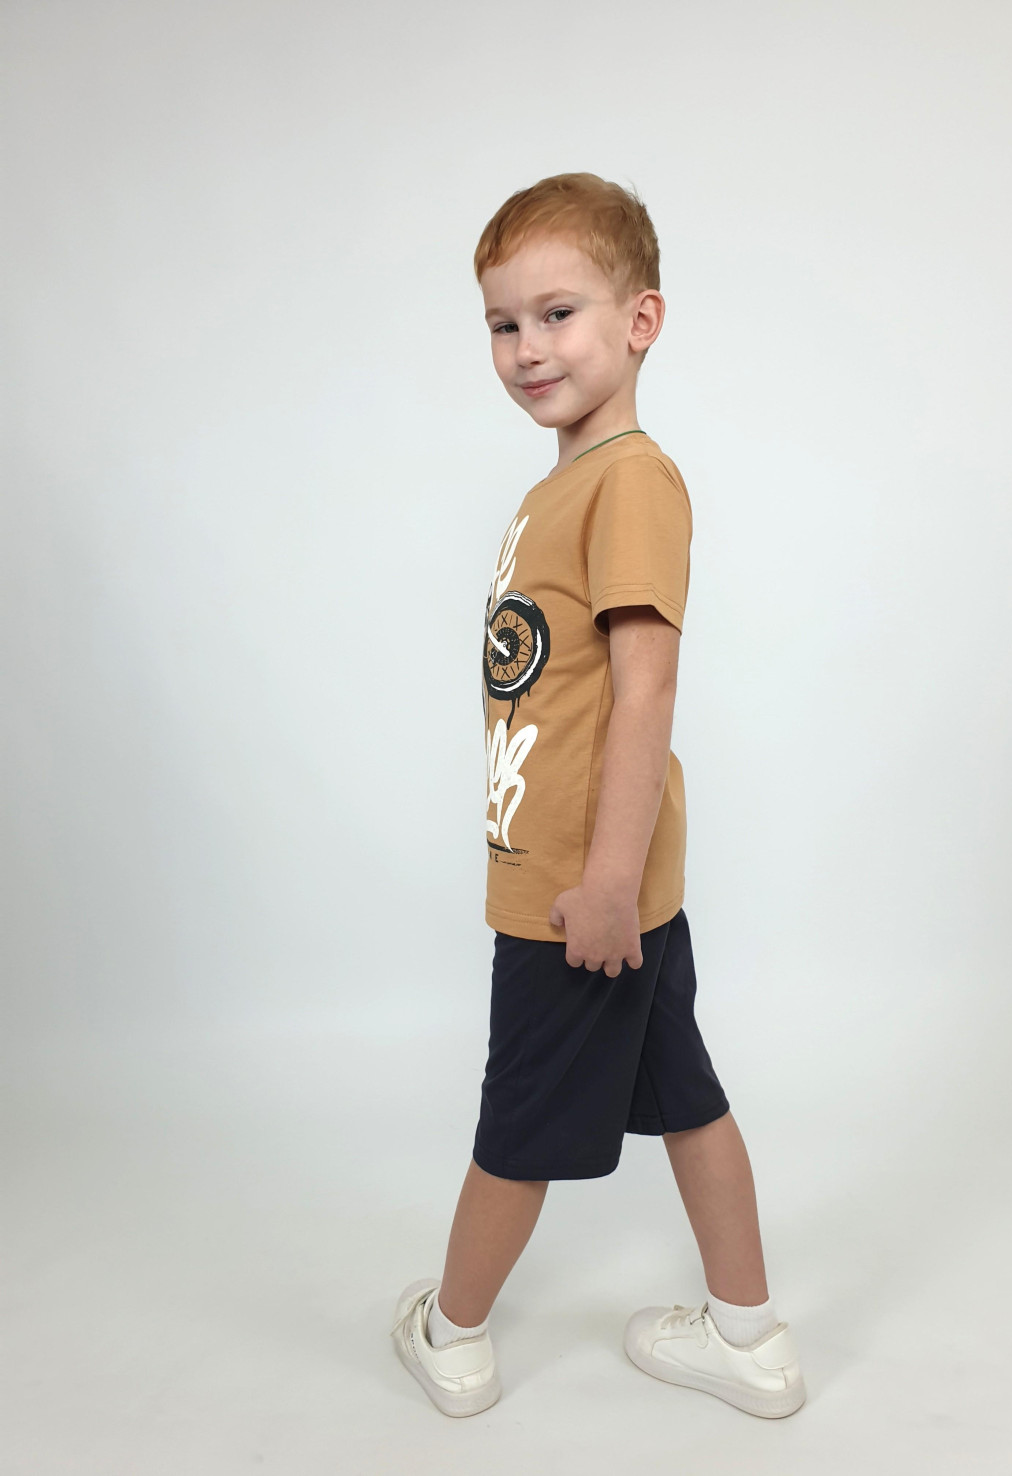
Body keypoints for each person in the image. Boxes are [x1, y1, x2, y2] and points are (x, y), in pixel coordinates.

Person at [390, 172, 806, 1420]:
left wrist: (608, 881)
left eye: (557, 313)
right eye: (503, 323)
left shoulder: (631, 481)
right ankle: (749, 1339)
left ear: (641, 320)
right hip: (609, 880)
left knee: (516, 1124)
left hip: (583, 892)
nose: (527, 348)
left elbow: (646, 686)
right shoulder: (556, 491)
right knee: (687, 1094)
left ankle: (452, 1333)